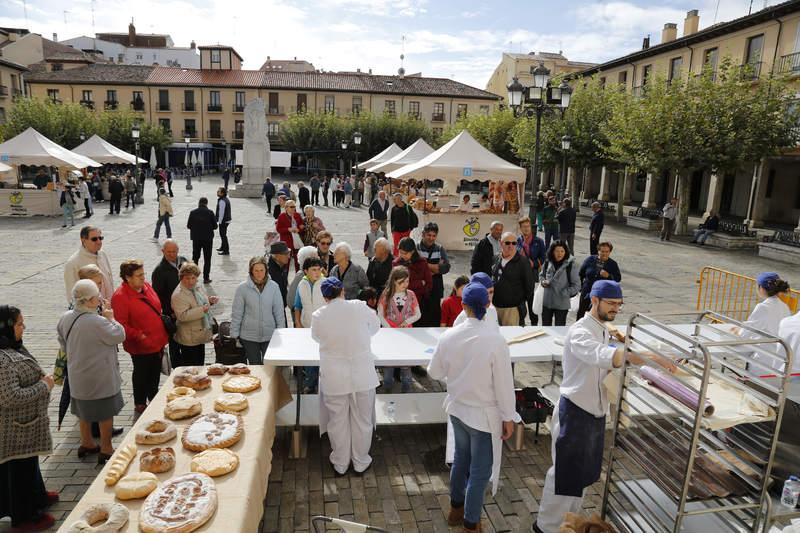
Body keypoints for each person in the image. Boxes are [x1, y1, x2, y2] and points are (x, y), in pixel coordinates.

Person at [535, 281, 677, 533]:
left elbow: (613, 357)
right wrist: (653, 358)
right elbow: (605, 356)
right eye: (611, 303)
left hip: (594, 414)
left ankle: (570, 522)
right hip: (576, 411)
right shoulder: (580, 332)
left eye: (619, 305)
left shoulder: (602, 328)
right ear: (595, 300)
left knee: (581, 478)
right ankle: (545, 527)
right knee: (562, 477)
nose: (615, 309)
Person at [427, 283, 520, 533]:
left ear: (463, 306)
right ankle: (470, 523)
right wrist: (509, 417)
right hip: (482, 416)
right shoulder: (495, 341)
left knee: (460, 460)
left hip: (458, 409)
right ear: (488, 305)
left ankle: (456, 509)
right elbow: (504, 385)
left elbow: (433, 371)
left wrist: (457, 374)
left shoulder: (449, 336)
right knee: (479, 472)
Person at [312, 278, 380, 475]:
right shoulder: (359, 306)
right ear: (343, 291)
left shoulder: (319, 315)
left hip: (334, 376)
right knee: (362, 419)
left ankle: (341, 463)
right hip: (362, 373)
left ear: (325, 297)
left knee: (337, 421)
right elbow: (375, 326)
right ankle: (360, 461)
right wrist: (361, 338)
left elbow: (316, 337)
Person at [0, 305, 58, 533]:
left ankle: (38, 496)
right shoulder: (2, 361)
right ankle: (24, 518)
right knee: (19, 472)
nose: (24, 327)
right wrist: (43, 386)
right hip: (12, 429)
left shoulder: (12, 347)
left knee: (29, 463)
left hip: (26, 425)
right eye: (19, 324)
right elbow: (10, 397)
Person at [57, 280, 125, 464]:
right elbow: (119, 335)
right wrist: (111, 318)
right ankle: (106, 447)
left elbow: (62, 342)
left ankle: (86, 443)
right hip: (99, 375)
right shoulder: (98, 321)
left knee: (83, 411)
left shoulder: (66, 318)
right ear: (89, 300)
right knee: (104, 413)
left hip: (77, 374)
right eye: (97, 297)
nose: (100, 299)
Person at [111, 259, 169, 414]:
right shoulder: (120, 296)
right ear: (127, 277)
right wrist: (139, 335)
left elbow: (157, 306)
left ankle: (153, 397)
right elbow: (120, 324)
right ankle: (140, 402)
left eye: (143, 274)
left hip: (157, 340)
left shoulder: (146, 286)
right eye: (138, 275)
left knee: (155, 371)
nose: (143, 278)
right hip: (140, 345)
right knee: (142, 373)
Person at [230, 256, 286, 364]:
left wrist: (281, 332)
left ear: (266, 270)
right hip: (249, 336)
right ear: (251, 271)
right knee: (255, 366)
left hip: (270, 334)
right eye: (256, 270)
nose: (259, 273)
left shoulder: (274, 287)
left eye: (262, 270)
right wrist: (234, 334)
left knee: (270, 367)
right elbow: (237, 313)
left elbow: (278, 312)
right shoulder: (242, 288)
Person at [379, 267, 421, 392]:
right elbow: (380, 314)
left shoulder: (411, 295)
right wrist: (389, 328)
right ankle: (387, 389)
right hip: (390, 336)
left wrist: (406, 322)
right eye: (401, 282)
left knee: (406, 367)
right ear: (394, 281)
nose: (405, 285)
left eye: (407, 281)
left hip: (407, 336)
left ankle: (406, 390)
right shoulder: (386, 295)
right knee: (389, 367)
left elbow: (418, 314)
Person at [742, 272, 792, 372]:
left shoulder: (762, 307)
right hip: (780, 358)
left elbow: (746, 332)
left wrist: (738, 330)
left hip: (763, 359)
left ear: (761, 288)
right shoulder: (785, 307)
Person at [171, 262, 218, 367]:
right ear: (181, 278)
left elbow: (201, 301)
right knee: (191, 367)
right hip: (189, 338)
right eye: (187, 278)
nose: (191, 281)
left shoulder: (196, 287)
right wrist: (202, 310)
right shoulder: (178, 294)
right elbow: (182, 316)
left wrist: (209, 301)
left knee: (199, 364)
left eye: (193, 278)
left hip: (199, 335)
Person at [151, 240, 187, 369]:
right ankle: (177, 370)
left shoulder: (183, 261)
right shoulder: (159, 271)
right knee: (175, 345)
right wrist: (169, 312)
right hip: (172, 315)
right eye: (169, 252)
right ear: (163, 252)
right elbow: (157, 297)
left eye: (174, 251)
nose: (172, 254)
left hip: (187, 310)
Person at [294, 257, 326, 392]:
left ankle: (323, 385)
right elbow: (297, 306)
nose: (317, 272)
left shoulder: (326, 283)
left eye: (319, 269)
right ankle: (310, 384)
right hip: (306, 326)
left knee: (323, 357)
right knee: (308, 357)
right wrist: (298, 323)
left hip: (324, 328)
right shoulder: (302, 284)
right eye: (313, 270)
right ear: (306, 271)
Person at [492, 231, 534, 326]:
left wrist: (517, 301)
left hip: (512, 310)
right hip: (495, 307)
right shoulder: (495, 259)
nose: (511, 246)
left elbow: (530, 287)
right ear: (500, 243)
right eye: (507, 243)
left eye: (514, 243)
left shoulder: (523, 262)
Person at [64, 225, 115, 303]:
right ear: (83, 240)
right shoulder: (73, 263)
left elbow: (110, 280)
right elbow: (72, 295)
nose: (99, 242)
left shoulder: (102, 254)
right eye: (94, 239)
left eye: (100, 238)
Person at [540, 240, 580, 327]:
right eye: (557, 251)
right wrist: (543, 282)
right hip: (547, 302)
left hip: (562, 303)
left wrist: (565, 293)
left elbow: (577, 285)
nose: (559, 254)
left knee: (560, 328)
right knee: (546, 327)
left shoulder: (572, 265)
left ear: (566, 252)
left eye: (562, 251)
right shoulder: (548, 262)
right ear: (552, 252)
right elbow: (541, 275)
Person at [417, 222, 451, 327]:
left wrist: (424, 265)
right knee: (420, 315)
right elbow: (415, 267)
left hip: (435, 288)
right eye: (429, 235)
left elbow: (446, 268)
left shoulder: (440, 249)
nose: (431, 238)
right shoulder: (416, 248)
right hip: (420, 288)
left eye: (434, 236)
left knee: (434, 315)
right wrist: (436, 267)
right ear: (423, 234)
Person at [577, 242, 621, 320]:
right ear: (598, 251)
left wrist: (609, 276)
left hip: (600, 295)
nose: (604, 254)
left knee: (596, 315)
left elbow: (617, 279)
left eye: (607, 252)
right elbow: (581, 274)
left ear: (610, 252)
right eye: (602, 251)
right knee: (582, 313)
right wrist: (581, 287)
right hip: (587, 292)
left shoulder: (613, 264)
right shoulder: (590, 259)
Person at [517, 217, 546, 326]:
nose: (526, 229)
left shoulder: (539, 241)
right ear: (520, 228)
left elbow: (543, 257)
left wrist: (533, 263)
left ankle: (534, 325)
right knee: (520, 306)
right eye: (524, 227)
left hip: (533, 276)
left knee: (532, 304)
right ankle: (521, 326)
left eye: (528, 226)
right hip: (519, 277)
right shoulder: (516, 241)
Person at [393, 237, 432, 318]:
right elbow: (396, 285)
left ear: (413, 251)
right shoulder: (396, 264)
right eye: (401, 252)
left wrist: (416, 291)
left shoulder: (422, 263)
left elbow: (429, 284)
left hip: (419, 302)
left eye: (405, 253)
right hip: (401, 303)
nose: (403, 256)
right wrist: (419, 283)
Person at [187, 197, 217, 284]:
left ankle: (193, 277)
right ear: (206, 203)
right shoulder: (210, 213)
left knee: (195, 257)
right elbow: (215, 226)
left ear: (199, 203)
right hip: (207, 239)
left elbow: (188, 225)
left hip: (196, 239)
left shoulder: (193, 212)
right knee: (207, 258)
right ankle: (206, 278)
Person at [287, 246, 321, 324]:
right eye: (316, 256)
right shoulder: (300, 278)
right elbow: (292, 303)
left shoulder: (317, 276)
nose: (319, 258)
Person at [276, 199, 305, 270]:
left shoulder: (297, 215)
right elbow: (278, 229)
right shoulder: (282, 216)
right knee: (286, 263)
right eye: (291, 207)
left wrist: (299, 229)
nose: (293, 208)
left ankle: (298, 278)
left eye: (294, 206)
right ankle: (284, 280)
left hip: (297, 242)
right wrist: (288, 229)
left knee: (298, 262)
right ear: (286, 208)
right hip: (287, 242)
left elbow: (302, 226)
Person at [267, 242, 291, 308]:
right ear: (276, 256)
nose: (288, 257)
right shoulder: (268, 271)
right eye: (286, 254)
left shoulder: (283, 265)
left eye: (288, 253)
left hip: (281, 306)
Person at [216, 187, 232, 256]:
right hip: (226, 220)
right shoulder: (225, 199)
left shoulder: (222, 201)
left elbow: (221, 213)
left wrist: (219, 222)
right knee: (223, 235)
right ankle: (222, 247)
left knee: (223, 235)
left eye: (219, 191)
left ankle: (226, 250)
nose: (217, 192)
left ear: (222, 193)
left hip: (223, 221)